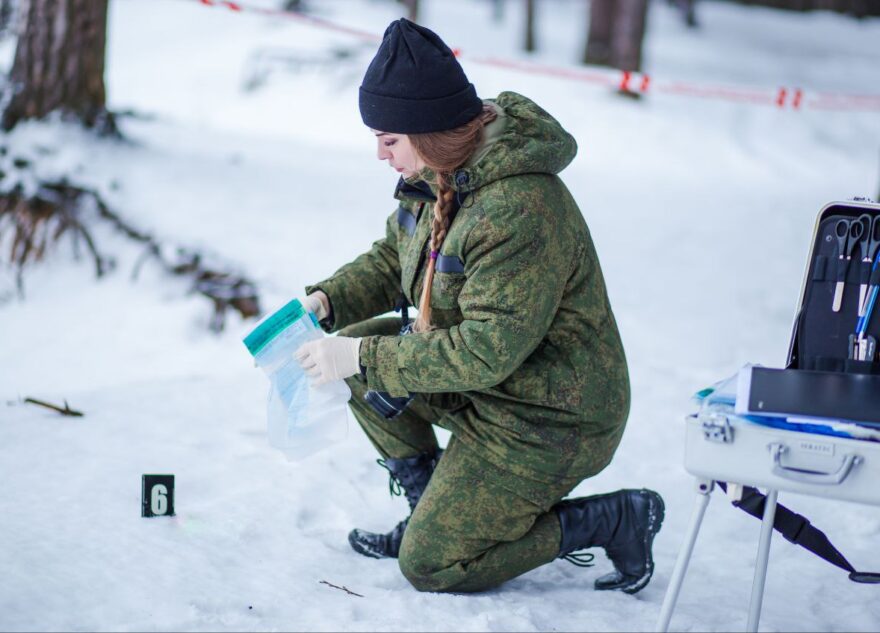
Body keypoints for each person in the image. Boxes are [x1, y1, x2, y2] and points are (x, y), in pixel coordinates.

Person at [294, 18, 664, 595]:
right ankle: (431, 512)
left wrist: (362, 355)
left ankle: (614, 519)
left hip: (546, 418)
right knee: (361, 357)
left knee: (432, 566)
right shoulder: (442, 179)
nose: (379, 155)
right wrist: (327, 300)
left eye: (389, 140)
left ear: (427, 130)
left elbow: (485, 351)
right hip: (485, 389)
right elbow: (395, 258)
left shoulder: (517, 209)